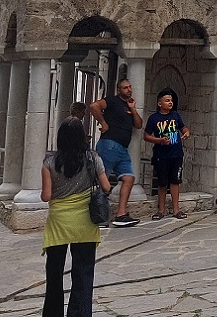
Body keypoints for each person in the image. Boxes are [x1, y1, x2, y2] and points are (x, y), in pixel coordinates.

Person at [41, 117, 111, 317]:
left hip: (58, 223)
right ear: (82, 137)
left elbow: (46, 196)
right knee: (83, 272)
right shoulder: (93, 158)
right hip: (85, 223)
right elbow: (106, 187)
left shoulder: (49, 162)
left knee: (54, 274)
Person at [88, 78, 142, 227]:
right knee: (102, 181)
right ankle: (98, 216)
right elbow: (94, 106)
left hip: (123, 149)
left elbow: (138, 125)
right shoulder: (112, 100)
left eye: (130, 87)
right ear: (119, 90)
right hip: (109, 145)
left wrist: (133, 109)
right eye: (125, 88)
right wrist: (103, 123)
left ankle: (121, 215)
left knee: (129, 178)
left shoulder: (128, 106)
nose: (129, 90)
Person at [143, 88, 190, 220]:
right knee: (162, 182)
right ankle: (161, 210)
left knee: (175, 181)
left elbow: (184, 128)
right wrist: (160, 140)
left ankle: (176, 210)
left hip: (176, 154)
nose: (170, 103)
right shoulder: (154, 118)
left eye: (171, 100)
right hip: (161, 155)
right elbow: (146, 136)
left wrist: (186, 133)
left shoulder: (175, 115)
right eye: (167, 100)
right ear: (159, 103)